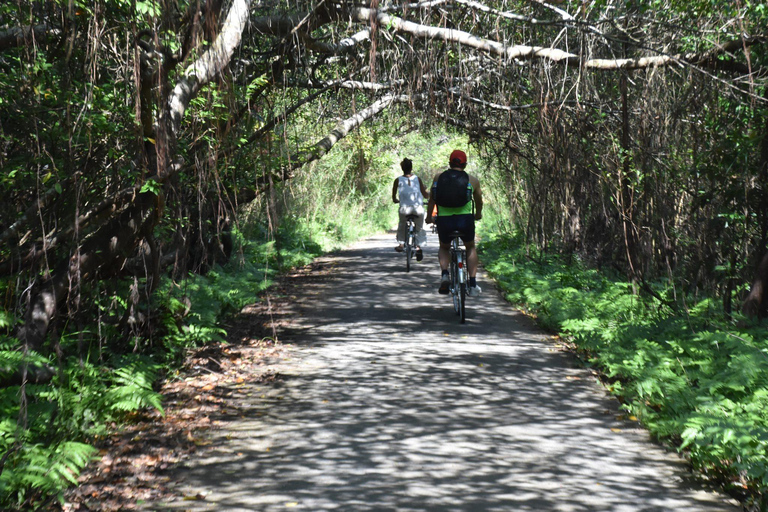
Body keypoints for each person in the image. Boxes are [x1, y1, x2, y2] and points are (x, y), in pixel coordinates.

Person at [426, 149, 483, 296]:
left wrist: (428, 217)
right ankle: (473, 284)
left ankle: (445, 274)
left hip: (445, 220)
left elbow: (432, 199)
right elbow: (479, 200)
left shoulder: (439, 177)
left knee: (444, 247)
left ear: (450, 163)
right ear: (465, 164)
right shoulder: (473, 180)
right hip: (465, 220)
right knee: (470, 247)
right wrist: (478, 214)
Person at [392, 158, 429, 261]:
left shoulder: (398, 180)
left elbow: (394, 196)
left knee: (402, 225)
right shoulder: (417, 179)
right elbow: (425, 195)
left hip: (404, 209)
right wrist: (429, 194)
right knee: (419, 227)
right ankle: (418, 247)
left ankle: (401, 244)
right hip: (418, 208)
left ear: (402, 168)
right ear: (411, 168)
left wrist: (395, 200)